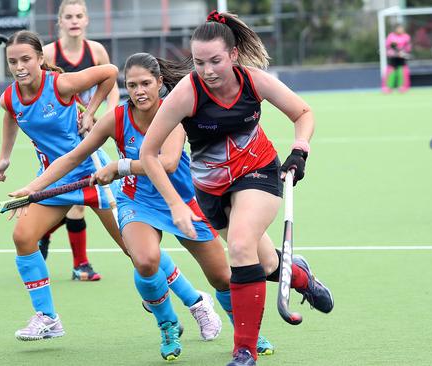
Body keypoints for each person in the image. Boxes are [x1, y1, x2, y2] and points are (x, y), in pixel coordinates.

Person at [8, 52, 274, 360]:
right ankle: (168, 325)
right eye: (131, 85)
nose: (139, 91)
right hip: (137, 201)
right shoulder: (117, 118)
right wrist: (33, 188)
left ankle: (246, 334)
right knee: (145, 260)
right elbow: (72, 157)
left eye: (146, 83)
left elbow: (169, 163)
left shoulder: (174, 113)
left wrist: (120, 166)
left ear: (160, 83)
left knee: (221, 277)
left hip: (183, 200)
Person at [140, 11, 334, 366]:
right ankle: (300, 276)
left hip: (258, 171)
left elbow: (303, 113)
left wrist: (299, 151)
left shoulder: (255, 81)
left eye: (215, 60)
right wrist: (177, 205)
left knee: (241, 246)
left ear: (233, 55)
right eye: (199, 62)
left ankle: (244, 351)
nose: (208, 70)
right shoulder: (186, 94)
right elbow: (148, 154)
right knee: (264, 261)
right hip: (211, 190)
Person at [0, 30, 123, 342]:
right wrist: (4, 158)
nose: (19, 66)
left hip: (90, 172)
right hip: (54, 178)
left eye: (25, 59)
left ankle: (194, 301)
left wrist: (90, 112)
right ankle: (48, 318)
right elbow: (12, 114)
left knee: (136, 252)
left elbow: (110, 73)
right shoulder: (9, 96)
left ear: (40, 59)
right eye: (13, 61)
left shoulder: (61, 84)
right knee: (23, 237)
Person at [35, 0, 121, 281]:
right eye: (68, 16)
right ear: (60, 21)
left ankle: (46, 235)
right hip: (59, 136)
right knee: (77, 198)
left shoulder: (95, 50)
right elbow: (41, 92)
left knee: (79, 195)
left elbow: (111, 88)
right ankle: (79, 263)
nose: (74, 20)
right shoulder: (48, 53)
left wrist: (104, 114)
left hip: (89, 130)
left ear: (86, 21)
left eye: (79, 16)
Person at [382, 24, 411, 94]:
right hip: (393, 58)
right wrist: (393, 53)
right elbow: (388, 47)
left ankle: (402, 87)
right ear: (395, 29)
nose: (400, 30)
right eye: (399, 28)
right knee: (391, 72)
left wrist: (403, 52)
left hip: (402, 58)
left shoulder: (406, 37)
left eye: (401, 28)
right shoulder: (391, 36)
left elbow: (408, 47)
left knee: (402, 72)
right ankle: (388, 88)